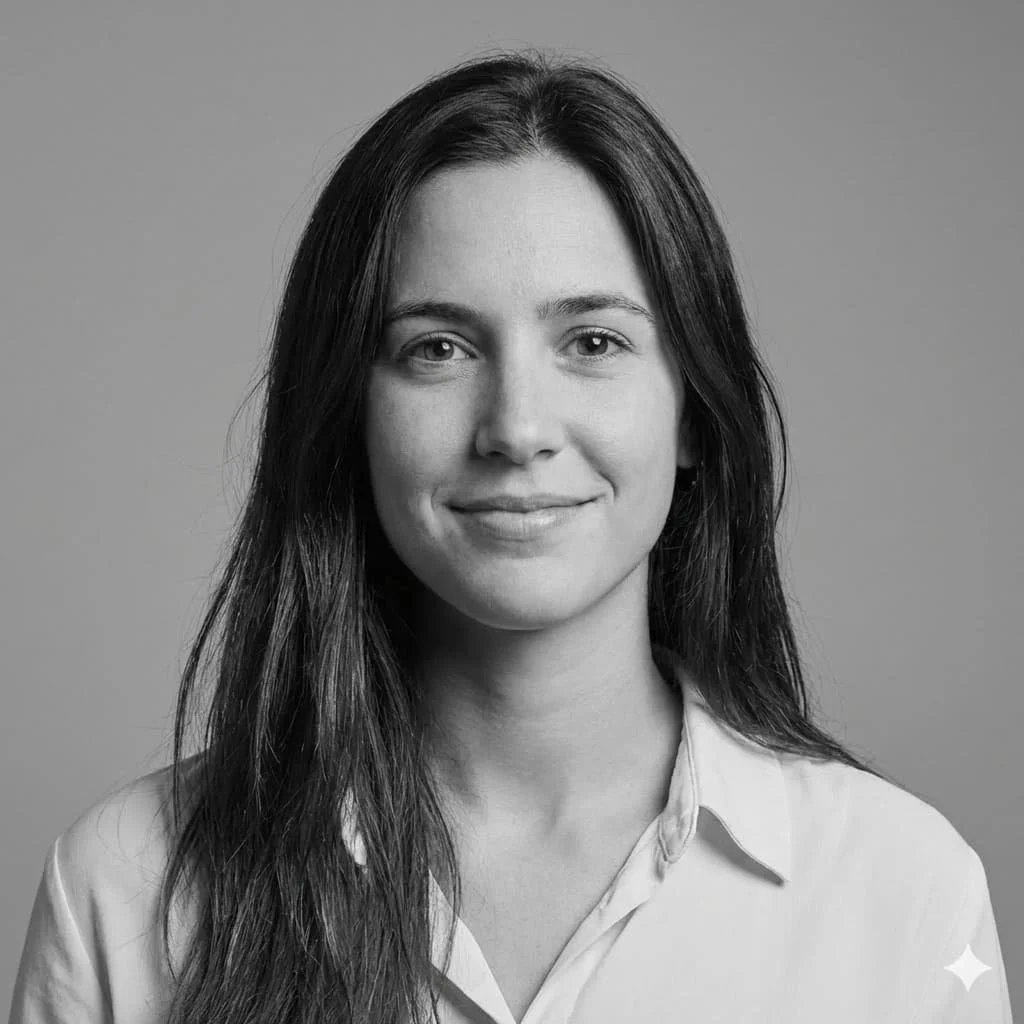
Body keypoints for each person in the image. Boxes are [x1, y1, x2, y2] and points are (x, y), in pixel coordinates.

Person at [9, 48, 1013, 1024]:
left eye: (593, 342)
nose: (518, 428)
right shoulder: (127, 889)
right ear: (348, 414)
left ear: (694, 413)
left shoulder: (901, 888)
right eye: (438, 348)